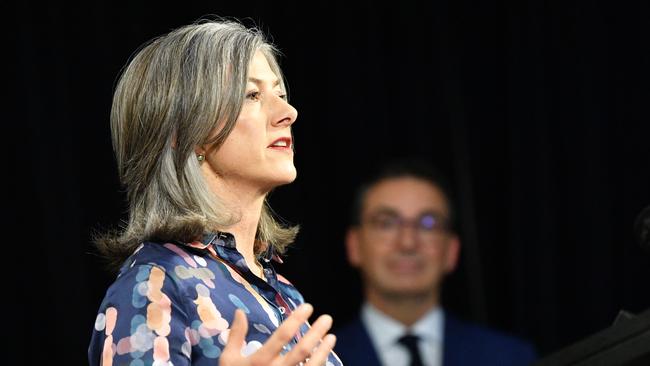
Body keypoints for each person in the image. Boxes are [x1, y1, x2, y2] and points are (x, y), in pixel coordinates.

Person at [88, 18, 341, 366]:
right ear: (184, 134)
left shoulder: (283, 293)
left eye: (280, 94)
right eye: (251, 95)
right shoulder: (154, 287)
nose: (288, 113)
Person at [334, 159, 537, 366]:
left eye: (428, 224)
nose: (408, 243)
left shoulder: (510, 358)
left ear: (452, 250)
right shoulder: (319, 358)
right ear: (354, 245)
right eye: (386, 223)